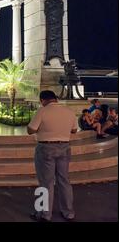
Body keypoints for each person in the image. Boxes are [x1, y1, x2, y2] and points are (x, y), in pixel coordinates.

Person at [27, 90, 78, 222]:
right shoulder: (69, 111)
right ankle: (68, 212)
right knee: (64, 181)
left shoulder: (42, 111)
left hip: (46, 148)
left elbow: (30, 130)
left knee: (46, 182)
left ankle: (44, 214)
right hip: (65, 147)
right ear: (55, 99)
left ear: (42, 100)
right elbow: (74, 130)